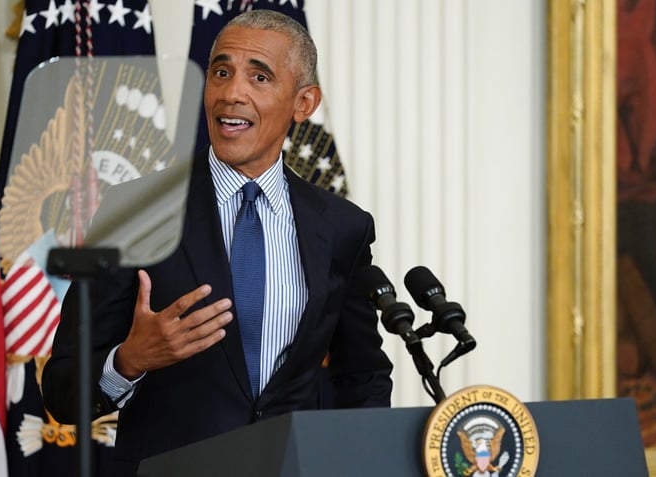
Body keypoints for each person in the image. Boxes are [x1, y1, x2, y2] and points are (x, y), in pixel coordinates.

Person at [41, 9, 393, 476]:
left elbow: (362, 375)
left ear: (304, 102)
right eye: (221, 73)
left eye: (259, 76)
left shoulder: (342, 227)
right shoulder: (134, 211)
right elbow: (63, 390)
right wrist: (129, 360)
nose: (231, 94)